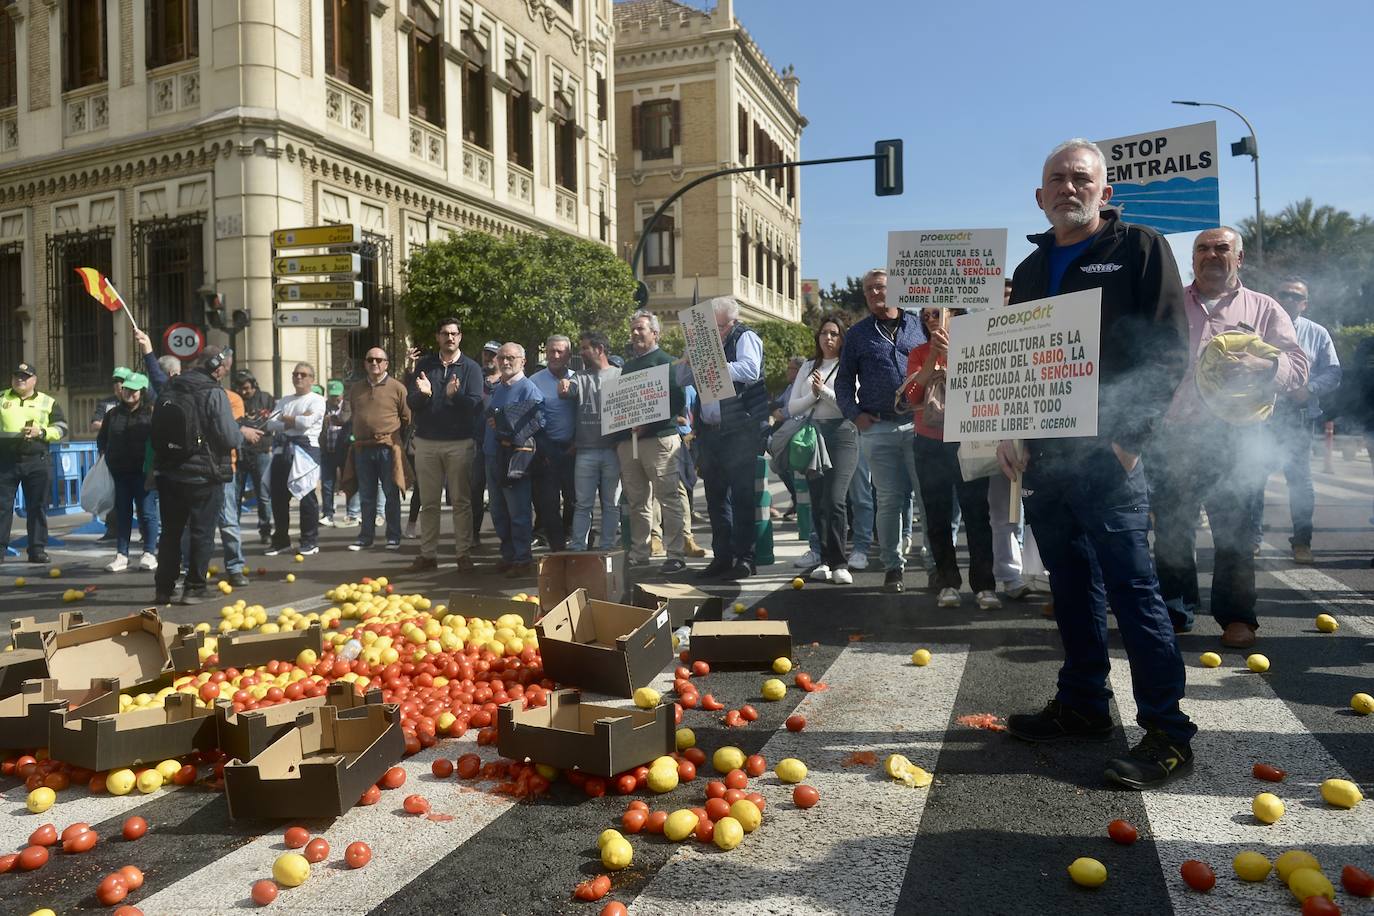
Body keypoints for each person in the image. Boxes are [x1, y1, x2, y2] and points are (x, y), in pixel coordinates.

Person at [998, 138, 1195, 789]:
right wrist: (1009, 429)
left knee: (1135, 592)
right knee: (1072, 587)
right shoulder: (1028, 271)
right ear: (1040, 195)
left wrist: (1129, 439)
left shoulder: (1139, 249)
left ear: (1104, 192)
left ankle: (1167, 732)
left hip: (1111, 458)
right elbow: (1018, 361)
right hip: (1048, 460)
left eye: (1081, 177)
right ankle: (1084, 704)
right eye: (1056, 178)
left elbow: (1168, 349)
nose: (1068, 187)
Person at [1148, 227, 1308, 647]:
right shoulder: (1169, 304)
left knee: (1235, 532)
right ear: (1192, 259)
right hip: (1177, 435)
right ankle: (1175, 610)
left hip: (1238, 437)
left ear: (1239, 259)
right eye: (1203, 249)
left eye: (1222, 248)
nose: (1211, 255)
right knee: (1172, 529)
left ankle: (1238, 617)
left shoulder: (1265, 307)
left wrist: (1265, 368)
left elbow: (1297, 364)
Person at [834, 269, 928, 593]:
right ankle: (893, 568)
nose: (875, 293)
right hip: (877, 427)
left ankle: (934, 565)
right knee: (888, 499)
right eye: (869, 289)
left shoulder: (920, 324)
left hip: (919, 424)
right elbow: (843, 381)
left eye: (881, 287)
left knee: (926, 496)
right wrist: (854, 414)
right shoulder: (858, 334)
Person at [153, 346, 262, 604]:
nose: (225, 373)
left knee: (170, 532)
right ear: (216, 366)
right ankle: (194, 587)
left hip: (169, 472)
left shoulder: (172, 385)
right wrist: (242, 434)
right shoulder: (213, 392)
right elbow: (228, 436)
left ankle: (164, 588)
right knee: (202, 531)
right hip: (203, 474)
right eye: (225, 368)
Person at [905, 308, 998, 608]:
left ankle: (985, 586)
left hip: (967, 441)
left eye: (938, 313)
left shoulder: (976, 349)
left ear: (956, 315)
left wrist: (954, 355)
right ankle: (947, 582)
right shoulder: (918, 353)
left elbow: (983, 389)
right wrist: (933, 357)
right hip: (929, 444)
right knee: (937, 517)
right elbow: (912, 397)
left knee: (976, 515)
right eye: (926, 314)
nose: (931, 318)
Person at [1254, 277, 1341, 564]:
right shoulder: (1258, 329)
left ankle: (1302, 542)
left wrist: (1310, 389)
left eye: (1295, 295)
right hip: (1261, 415)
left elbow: (1333, 372)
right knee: (1252, 477)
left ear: (1305, 303)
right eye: (1284, 293)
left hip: (1300, 418)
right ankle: (1251, 539)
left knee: (1300, 482)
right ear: (1273, 296)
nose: (1289, 299)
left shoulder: (1317, 333)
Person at [687, 297, 768, 580]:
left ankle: (745, 557)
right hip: (711, 433)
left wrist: (711, 364)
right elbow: (684, 379)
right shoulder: (706, 344)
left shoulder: (745, 337)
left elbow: (750, 371)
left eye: (719, 327)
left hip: (739, 433)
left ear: (732, 323)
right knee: (716, 499)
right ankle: (722, 556)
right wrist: (690, 361)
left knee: (743, 498)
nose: (716, 332)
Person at [407, 318, 484, 571]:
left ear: (460, 337)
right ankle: (428, 555)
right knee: (429, 503)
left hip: (459, 443)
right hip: (427, 443)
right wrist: (424, 395)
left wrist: (456, 396)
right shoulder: (425, 365)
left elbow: (475, 405)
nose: (449, 338)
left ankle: (463, 554)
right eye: (444, 333)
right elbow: (412, 403)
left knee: (461, 502)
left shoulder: (471, 367)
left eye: (454, 333)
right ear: (438, 337)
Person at [786, 313, 857, 584]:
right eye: (824, 333)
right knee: (817, 500)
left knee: (835, 499)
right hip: (813, 434)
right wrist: (812, 395)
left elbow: (852, 404)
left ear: (841, 339)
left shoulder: (849, 365)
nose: (828, 338)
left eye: (834, 334)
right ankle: (824, 559)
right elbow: (792, 406)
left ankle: (840, 561)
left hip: (842, 434)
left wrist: (824, 391)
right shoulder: (807, 366)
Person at [619, 311, 688, 574]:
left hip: (660, 440)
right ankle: (640, 552)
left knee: (668, 498)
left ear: (655, 333)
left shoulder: (669, 363)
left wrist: (649, 422)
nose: (636, 334)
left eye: (641, 329)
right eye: (633, 330)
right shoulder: (627, 366)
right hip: (631, 442)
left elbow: (677, 401)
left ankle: (675, 554)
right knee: (637, 501)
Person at [485, 343, 544, 577]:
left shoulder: (528, 388)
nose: (505, 362)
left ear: (523, 361)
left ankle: (522, 559)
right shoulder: (499, 388)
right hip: (492, 456)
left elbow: (538, 422)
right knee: (499, 510)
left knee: (518, 511)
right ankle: (508, 555)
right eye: (502, 358)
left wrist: (507, 432)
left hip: (514, 459)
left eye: (511, 358)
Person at [0, 363, 68, 564]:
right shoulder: (2, 398)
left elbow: (62, 428)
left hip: (37, 460)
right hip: (6, 461)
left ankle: (37, 549)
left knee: (37, 506)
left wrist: (42, 432)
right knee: (2, 507)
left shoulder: (48, 402)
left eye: (25, 376)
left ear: (34, 380)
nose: (20, 379)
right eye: (17, 376)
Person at [561, 330, 622, 551]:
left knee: (612, 505)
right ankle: (579, 547)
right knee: (583, 504)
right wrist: (564, 388)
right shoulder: (579, 377)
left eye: (585, 347)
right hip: (585, 451)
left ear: (599, 349)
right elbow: (568, 391)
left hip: (612, 451)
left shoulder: (620, 375)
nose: (581, 352)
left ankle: (607, 548)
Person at [347, 348, 411, 552]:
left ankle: (393, 536)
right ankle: (366, 537)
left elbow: (407, 418)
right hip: (362, 449)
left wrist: (395, 441)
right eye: (370, 359)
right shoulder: (356, 388)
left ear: (386, 364)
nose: (374, 363)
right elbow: (354, 413)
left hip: (387, 448)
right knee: (366, 495)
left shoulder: (398, 387)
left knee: (391, 494)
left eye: (378, 359)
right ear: (365, 363)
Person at [97, 372, 158, 572]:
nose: (129, 393)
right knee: (122, 513)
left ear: (143, 391)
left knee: (147, 513)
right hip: (120, 473)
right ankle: (121, 555)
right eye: (126, 389)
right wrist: (107, 457)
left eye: (134, 390)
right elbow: (102, 439)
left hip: (143, 473)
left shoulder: (151, 413)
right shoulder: (112, 414)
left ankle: (149, 553)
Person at [264, 362, 326, 556]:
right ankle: (281, 540)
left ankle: (309, 540)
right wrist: (293, 420)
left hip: (306, 451)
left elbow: (307, 422)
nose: (299, 377)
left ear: (311, 379)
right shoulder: (285, 400)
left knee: (306, 495)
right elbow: (270, 424)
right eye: (296, 374)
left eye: (303, 374)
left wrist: (285, 418)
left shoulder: (316, 400)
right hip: (283, 449)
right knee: (278, 497)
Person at [529, 334, 577, 552]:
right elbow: (530, 420)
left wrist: (578, 442)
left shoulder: (579, 379)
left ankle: (570, 534)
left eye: (560, 351)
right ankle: (557, 547)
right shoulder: (534, 382)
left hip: (574, 449)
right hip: (546, 451)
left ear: (568, 354)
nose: (555, 356)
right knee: (547, 503)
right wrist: (544, 449)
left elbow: (585, 414)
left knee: (575, 500)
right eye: (551, 351)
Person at [233, 370, 276, 544]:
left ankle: (265, 530)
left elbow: (275, 420)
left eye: (246, 388)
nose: (243, 392)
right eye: (240, 389)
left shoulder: (266, 398)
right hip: (239, 452)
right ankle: (233, 531)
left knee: (263, 495)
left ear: (254, 385)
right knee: (235, 496)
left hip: (261, 452)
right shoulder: (234, 400)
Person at [319, 380, 351, 526]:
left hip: (344, 450)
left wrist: (330, 418)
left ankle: (351, 513)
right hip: (327, 450)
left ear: (342, 395)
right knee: (327, 484)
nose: (335, 399)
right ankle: (328, 514)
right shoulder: (323, 407)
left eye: (337, 396)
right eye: (332, 396)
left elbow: (345, 419)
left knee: (348, 482)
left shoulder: (347, 406)